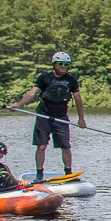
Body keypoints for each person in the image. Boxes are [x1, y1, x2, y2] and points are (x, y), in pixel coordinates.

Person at [11, 51, 86, 181]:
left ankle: (68, 173)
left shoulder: (71, 80)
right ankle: (39, 174)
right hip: (44, 116)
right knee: (42, 146)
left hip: (61, 117)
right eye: (60, 64)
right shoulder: (44, 78)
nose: (63, 66)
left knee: (66, 146)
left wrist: (81, 119)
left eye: (66, 64)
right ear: (54, 64)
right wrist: (18, 105)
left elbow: (78, 99)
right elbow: (32, 94)